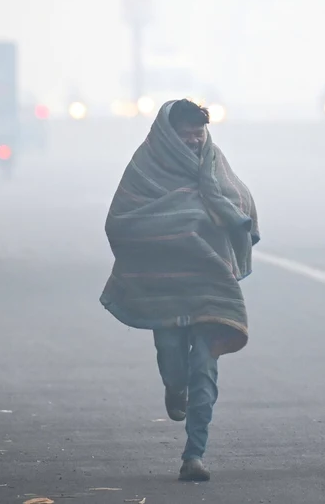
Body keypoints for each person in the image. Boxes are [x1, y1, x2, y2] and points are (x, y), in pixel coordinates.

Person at [101, 99, 260, 482]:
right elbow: (122, 219)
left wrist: (217, 217)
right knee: (172, 358)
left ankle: (194, 455)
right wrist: (182, 220)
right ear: (167, 135)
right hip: (164, 286)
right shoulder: (146, 165)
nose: (193, 141)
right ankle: (174, 390)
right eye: (185, 134)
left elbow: (239, 200)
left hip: (210, 283)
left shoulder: (213, 159)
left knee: (204, 366)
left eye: (198, 133)